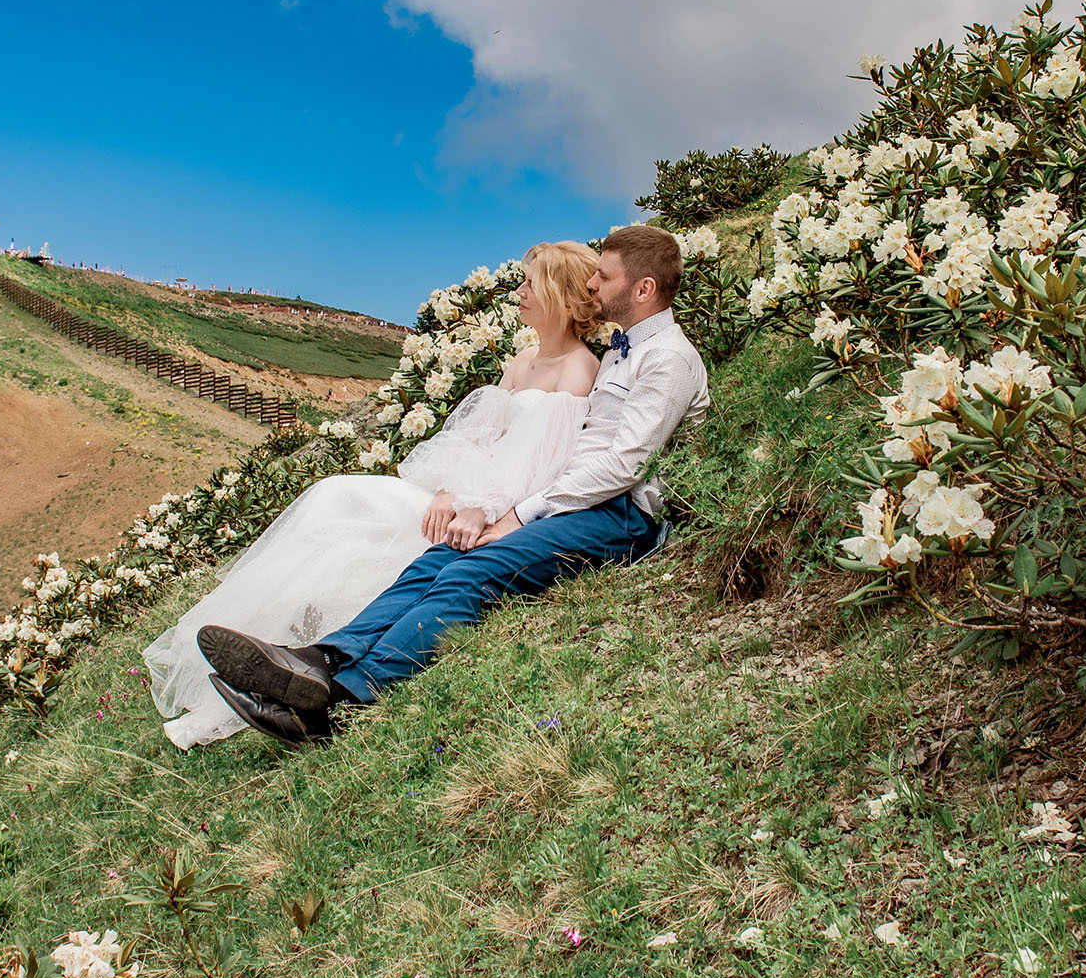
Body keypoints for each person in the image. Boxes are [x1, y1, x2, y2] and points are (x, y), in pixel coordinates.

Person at [198, 224, 709, 744]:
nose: (593, 285)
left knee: (476, 569)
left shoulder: (667, 358)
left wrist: (521, 512)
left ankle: (339, 705)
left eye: (605, 276)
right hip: (580, 500)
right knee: (438, 558)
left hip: (621, 515)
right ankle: (321, 658)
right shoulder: (625, 348)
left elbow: (625, 465)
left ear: (643, 289)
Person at [142, 242, 605, 748]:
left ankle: (308, 670)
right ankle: (299, 658)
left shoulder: (579, 369)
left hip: (491, 505)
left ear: (560, 295)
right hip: (462, 493)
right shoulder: (522, 360)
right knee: (334, 494)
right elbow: (477, 438)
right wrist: (448, 488)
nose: (519, 292)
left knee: (358, 523)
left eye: (531, 283)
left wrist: (480, 505)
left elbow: (539, 463)